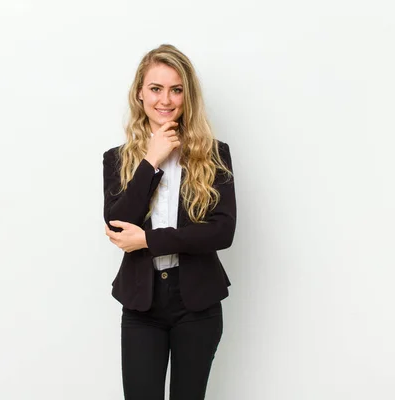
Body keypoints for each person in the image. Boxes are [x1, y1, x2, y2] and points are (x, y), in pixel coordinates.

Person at [102, 44, 236, 400]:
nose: (166, 99)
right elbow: (118, 224)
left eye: (176, 89)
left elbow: (221, 231)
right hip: (141, 305)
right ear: (139, 94)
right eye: (156, 88)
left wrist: (148, 241)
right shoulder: (117, 160)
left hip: (197, 303)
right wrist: (151, 161)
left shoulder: (214, 155)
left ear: (187, 95)